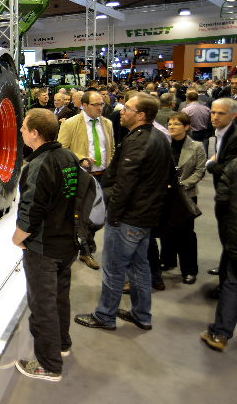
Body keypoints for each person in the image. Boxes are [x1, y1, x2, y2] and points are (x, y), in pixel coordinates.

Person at [74, 94, 172, 332]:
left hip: (128, 218)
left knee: (114, 269)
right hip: (145, 216)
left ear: (141, 115)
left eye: (127, 109)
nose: (121, 112)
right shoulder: (158, 136)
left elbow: (125, 185)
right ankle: (142, 315)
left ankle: (105, 316)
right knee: (140, 267)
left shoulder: (138, 142)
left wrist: (112, 216)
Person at [12, 108, 80, 382]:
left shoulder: (38, 165)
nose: (20, 131)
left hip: (43, 248)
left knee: (42, 307)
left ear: (35, 133)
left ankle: (49, 365)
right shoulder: (69, 157)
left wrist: (18, 238)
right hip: (67, 244)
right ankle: (62, 345)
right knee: (60, 298)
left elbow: (31, 210)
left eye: (24, 127)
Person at [58, 90, 114, 271]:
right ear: (84, 105)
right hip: (84, 177)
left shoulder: (107, 124)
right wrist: (80, 158)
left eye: (102, 104)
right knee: (80, 215)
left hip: (103, 176)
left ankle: (85, 248)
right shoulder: (71, 124)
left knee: (98, 216)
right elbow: (61, 149)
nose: (100, 108)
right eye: (96, 104)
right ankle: (84, 250)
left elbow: (110, 149)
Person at [160, 112, 206, 284]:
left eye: (176, 124)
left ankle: (189, 270)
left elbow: (200, 170)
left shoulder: (196, 146)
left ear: (186, 127)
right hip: (166, 194)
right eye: (169, 123)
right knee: (166, 229)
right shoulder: (164, 144)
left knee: (186, 234)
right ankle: (167, 261)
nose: (171, 126)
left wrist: (183, 186)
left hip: (186, 195)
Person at [201, 157, 237, 351]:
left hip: (235, 236)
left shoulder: (234, 165)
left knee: (232, 283)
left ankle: (219, 334)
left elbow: (222, 199)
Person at [206, 98, 237, 298]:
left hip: (230, 199)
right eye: (213, 112)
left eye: (220, 113)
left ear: (233, 116)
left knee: (230, 241)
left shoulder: (234, 138)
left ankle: (225, 286)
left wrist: (210, 164)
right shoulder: (220, 133)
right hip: (223, 194)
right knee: (225, 240)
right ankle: (224, 273)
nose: (215, 117)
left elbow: (227, 170)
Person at [182, 90, 211, 156]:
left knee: (191, 153)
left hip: (191, 133)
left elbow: (183, 122)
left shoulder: (185, 110)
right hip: (204, 133)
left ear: (187, 100)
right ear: (198, 99)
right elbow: (210, 121)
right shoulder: (206, 108)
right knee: (203, 152)